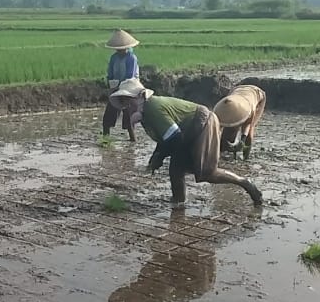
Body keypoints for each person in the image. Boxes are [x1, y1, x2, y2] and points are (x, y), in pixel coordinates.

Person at [109, 79, 263, 207]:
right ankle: (178, 202)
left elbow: (174, 137)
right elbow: (166, 137)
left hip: (202, 123)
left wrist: (159, 157)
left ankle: (245, 183)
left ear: (141, 97)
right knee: (176, 169)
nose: (127, 106)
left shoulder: (152, 108)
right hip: (187, 130)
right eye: (124, 102)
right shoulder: (146, 113)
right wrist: (157, 155)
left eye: (129, 100)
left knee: (207, 172)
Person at [102, 29, 141, 142]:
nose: (119, 50)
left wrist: (120, 86)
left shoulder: (131, 58)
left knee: (128, 117)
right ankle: (105, 139)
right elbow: (110, 73)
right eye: (117, 48)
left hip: (129, 89)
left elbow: (130, 75)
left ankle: (133, 140)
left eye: (121, 48)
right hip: (115, 88)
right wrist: (110, 82)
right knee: (109, 115)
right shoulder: (114, 58)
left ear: (126, 47)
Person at [211, 83, 267, 160]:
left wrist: (243, 139)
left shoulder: (250, 108)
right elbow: (218, 128)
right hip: (236, 90)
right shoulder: (223, 106)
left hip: (257, 94)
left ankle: (245, 156)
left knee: (250, 131)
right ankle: (223, 150)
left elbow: (247, 124)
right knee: (231, 129)